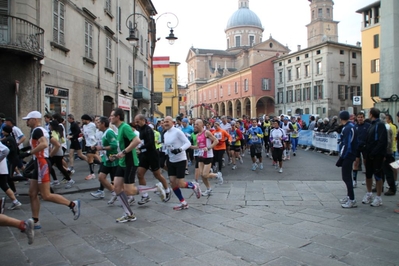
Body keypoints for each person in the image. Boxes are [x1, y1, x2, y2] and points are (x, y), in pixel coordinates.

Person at [21, 111, 80, 229]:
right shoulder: (44, 130)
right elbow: (56, 144)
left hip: (41, 163)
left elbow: (43, 144)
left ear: (35, 119)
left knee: (46, 195)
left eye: (28, 119)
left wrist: (29, 153)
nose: (27, 122)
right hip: (41, 162)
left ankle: (73, 204)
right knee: (32, 193)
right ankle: (35, 220)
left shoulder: (38, 130)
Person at [109, 108, 141, 222]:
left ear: (118, 117)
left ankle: (156, 188)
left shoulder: (125, 127)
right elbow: (122, 146)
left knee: (129, 191)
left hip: (130, 162)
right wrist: (115, 155)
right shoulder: (118, 129)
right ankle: (129, 214)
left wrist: (124, 152)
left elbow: (137, 141)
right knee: (117, 187)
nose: (110, 118)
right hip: (122, 163)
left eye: (112, 115)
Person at [163, 116, 201, 210]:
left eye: (167, 121)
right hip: (171, 160)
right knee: (172, 183)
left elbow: (187, 143)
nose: (165, 123)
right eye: (164, 122)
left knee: (180, 183)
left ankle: (194, 186)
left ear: (173, 122)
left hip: (180, 159)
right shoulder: (165, 134)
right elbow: (167, 146)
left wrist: (179, 149)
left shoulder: (177, 132)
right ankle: (183, 203)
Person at [135, 114, 170, 204]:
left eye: (138, 121)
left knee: (157, 175)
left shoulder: (148, 130)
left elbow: (151, 144)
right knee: (139, 174)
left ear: (143, 120)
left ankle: (167, 190)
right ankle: (145, 195)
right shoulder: (138, 129)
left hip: (152, 155)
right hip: (143, 156)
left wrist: (140, 149)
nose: (136, 123)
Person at [362, 108, 387, 207]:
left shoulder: (380, 125)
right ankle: (369, 193)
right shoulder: (371, 125)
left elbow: (382, 141)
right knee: (368, 174)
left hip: (377, 155)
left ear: (371, 114)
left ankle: (378, 197)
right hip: (369, 153)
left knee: (377, 175)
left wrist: (374, 152)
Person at [90, 116, 118, 201]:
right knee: (101, 177)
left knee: (115, 181)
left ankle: (127, 196)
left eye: (98, 123)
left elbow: (114, 145)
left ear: (103, 124)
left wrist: (102, 148)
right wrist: (96, 147)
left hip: (112, 159)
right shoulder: (103, 132)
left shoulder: (109, 132)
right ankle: (113, 193)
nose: (97, 124)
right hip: (106, 159)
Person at [191, 119, 222, 197]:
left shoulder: (207, 132)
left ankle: (217, 175)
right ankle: (209, 189)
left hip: (208, 156)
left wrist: (208, 148)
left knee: (205, 174)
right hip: (201, 155)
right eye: (195, 124)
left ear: (202, 125)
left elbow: (216, 141)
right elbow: (198, 146)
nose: (195, 126)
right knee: (202, 175)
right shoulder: (197, 135)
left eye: (197, 124)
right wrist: (189, 146)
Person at [336, 111, 358, 208]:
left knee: (346, 177)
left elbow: (347, 144)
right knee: (347, 176)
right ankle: (349, 196)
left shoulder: (347, 128)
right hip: (350, 154)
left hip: (348, 155)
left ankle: (352, 199)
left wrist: (342, 156)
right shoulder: (351, 126)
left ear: (341, 118)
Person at [49, 120, 74, 189]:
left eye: (50, 125)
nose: (49, 127)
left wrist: (51, 153)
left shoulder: (53, 133)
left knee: (52, 166)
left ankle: (64, 180)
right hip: (59, 151)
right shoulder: (58, 132)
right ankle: (61, 180)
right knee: (57, 166)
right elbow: (63, 140)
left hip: (56, 152)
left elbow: (56, 141)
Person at [0, 140, 21, 210]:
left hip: (1, 169)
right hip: (1, 169)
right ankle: (15, 201)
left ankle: (15, 201)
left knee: (4, 185)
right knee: (3, 185)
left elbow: (6, 150)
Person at [352, 112, 370, 188]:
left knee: (366, 163)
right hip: (357, 147)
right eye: (359, 117)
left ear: (364, 118)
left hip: (365, 147)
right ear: (356, 118)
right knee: (356, 163)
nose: (360, 119)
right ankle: (354, 181)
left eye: (361, 117)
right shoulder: (354, 127)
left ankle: (366, 179)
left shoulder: (368, 126)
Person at [81, 114, 97, 180]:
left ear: (86, 119)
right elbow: (85, 134)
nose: (82, 121)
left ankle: (92, 173)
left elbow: (97, 131)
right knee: (90, 157)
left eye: (83, 120)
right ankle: (92, 173)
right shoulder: (84, 126)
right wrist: (82, 137)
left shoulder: (93, 125)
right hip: (87, 143)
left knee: (90, 156)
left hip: (93, 143)